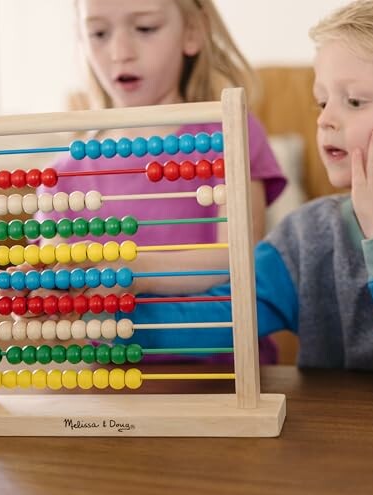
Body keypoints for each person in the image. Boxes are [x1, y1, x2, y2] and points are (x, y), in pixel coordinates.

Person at [122, 0, 373, 370]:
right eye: (322, 102)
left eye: (355, 101)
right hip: (334, 425)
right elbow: (217, 320)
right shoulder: (306, 239)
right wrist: (97, 319)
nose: (326, 119)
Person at [36, 0, 287, 363]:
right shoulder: (59, 178)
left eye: (146, 28)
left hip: (225, 379)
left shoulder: (231, 135)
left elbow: (239, 259)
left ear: (192, 32)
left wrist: (134, 270)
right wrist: (40, 299)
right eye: (99, 33)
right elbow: (55, 291)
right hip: (110, 388)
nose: (121, 53)